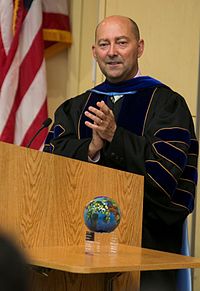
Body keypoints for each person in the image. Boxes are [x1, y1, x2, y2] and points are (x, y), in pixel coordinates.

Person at [44, 15, 198, 291]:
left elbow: (167, 176)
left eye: (121, 42)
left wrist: (116, 137)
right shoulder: (74, 108)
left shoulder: (167, 104)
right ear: (94, 52)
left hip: (147, 247)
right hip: (76, 249)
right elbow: (50, 166)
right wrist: (91, 149)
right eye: (104, 44)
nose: (112, 52)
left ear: (139, 47)